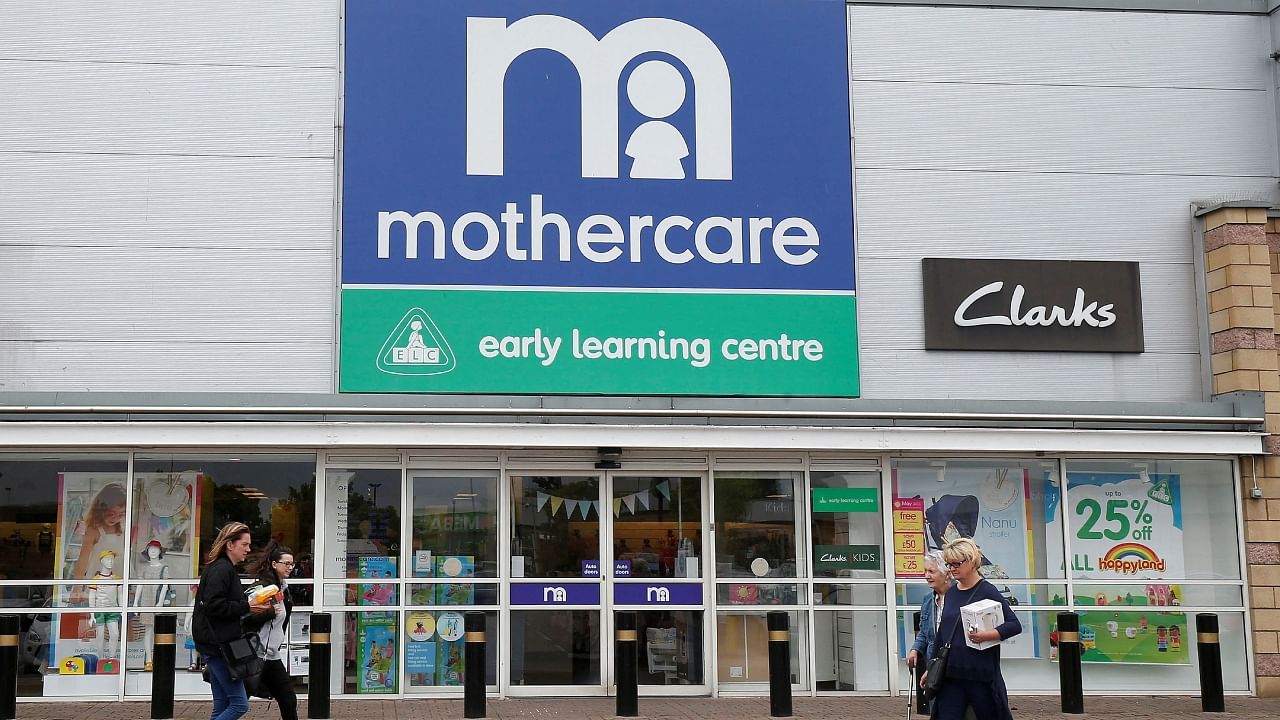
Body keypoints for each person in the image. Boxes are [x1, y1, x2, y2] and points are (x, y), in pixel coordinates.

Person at [926, 537, 1020, 720]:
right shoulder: (952, 593)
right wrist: (931, 668)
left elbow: (1013, 624)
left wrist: (987, 635)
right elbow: (942, 634)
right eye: (949, 564)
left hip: (980, 676)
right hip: (951, 674)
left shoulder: (987, 591)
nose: (952, 569)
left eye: (956, 564)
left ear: (971, 561)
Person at [192, 522, 272, 720]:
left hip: (218, 644)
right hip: (220, 646)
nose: (248, 549)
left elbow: (219, 605)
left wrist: (247, 606)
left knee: (222, 705)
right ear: (230, 545)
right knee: (239, 704)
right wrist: (247, 606)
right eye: (244, 544)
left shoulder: (221, 568)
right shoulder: (222, 570)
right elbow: (214, 606)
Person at [244, 541, 298, 720]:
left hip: (272, 656)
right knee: (238, 703)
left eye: (292, 564)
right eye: (286, 563)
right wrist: (267, 613)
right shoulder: (262, 588)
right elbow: (244, 615)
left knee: (289, 699)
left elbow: (281, 622)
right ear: (274, 564)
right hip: (255, 655)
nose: (290, 567)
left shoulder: (284, 589)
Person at [69, 483, 126, 603]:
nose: (115, 518)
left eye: (121, 514)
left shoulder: (123, 528)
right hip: (99, 581)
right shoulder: (94, 530)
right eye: (111, 513)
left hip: (120, 580)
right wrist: (77, 588)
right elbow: (83, 560)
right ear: (101, 509)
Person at [906, 550, 952, 672]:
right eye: (925, 571)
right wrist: (915, 650)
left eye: (931, 571)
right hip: (933, 666)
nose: (926, 576)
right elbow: (924, 633)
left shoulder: (959, 597)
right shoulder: (928, 600)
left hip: (955, 666)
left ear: (947, 574)